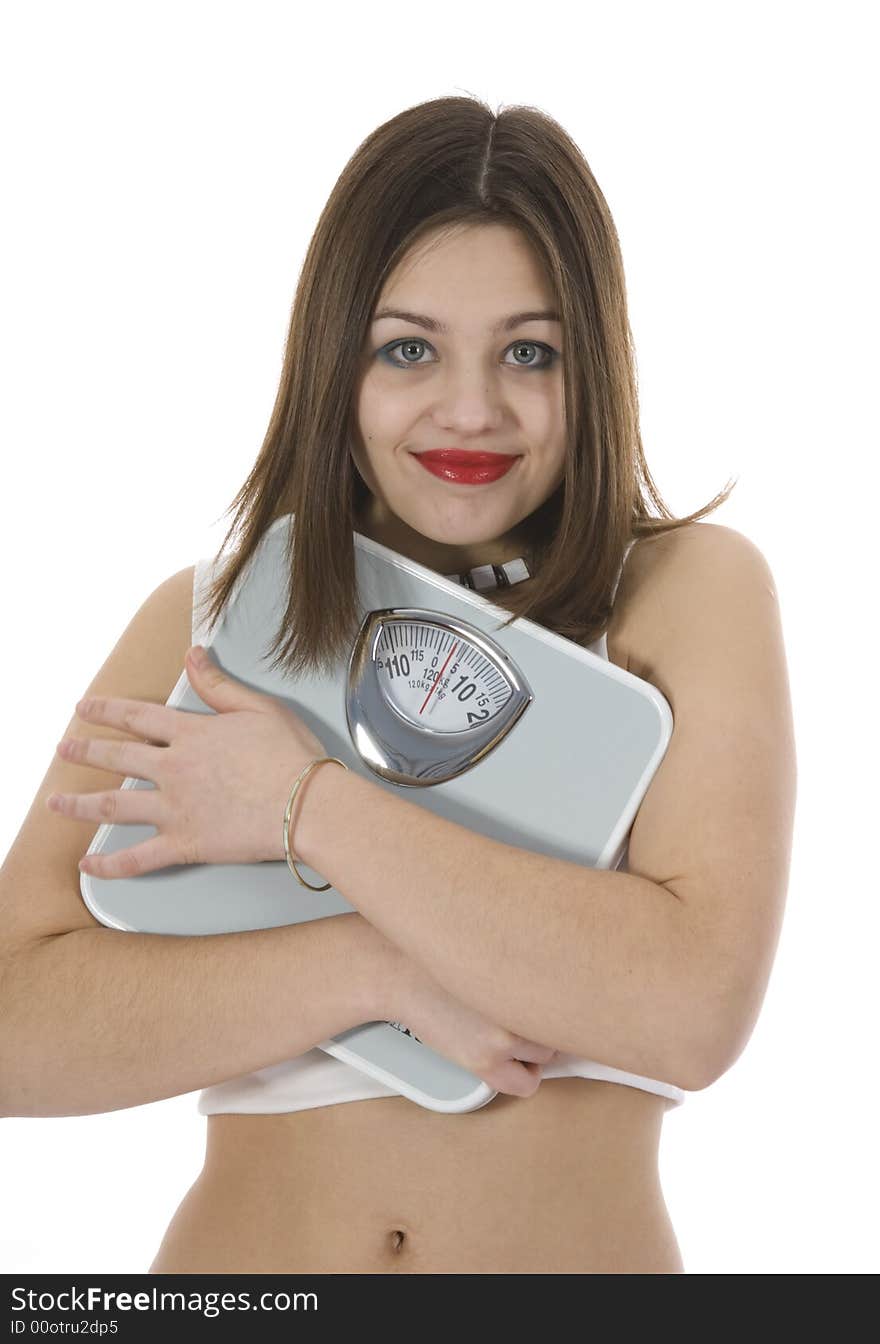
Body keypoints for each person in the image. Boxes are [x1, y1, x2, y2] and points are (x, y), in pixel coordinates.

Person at [0, 95, 797, 1274]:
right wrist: (373, 973)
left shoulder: (686, 592)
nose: (469, 409)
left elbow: (689, 1010)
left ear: (599, 365)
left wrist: (303, 804)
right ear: (337, 365)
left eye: (530, 351)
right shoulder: (206, 620)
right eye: (407, 348)